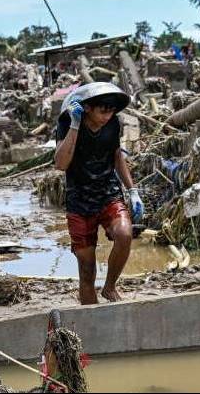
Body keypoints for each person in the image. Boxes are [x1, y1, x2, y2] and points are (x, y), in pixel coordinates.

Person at [54, 84, 144, 304]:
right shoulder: (67, 123)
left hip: (108, 193)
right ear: (87, 108)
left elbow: (116, 157)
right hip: (79, 200)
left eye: (111, 111)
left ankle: (110, 287)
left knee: (124, 234)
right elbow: (61, 163)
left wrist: (132, 190)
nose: (107, 116)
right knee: (86, 270)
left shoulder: (113, 124)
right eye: (102, 111)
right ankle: (91, 317)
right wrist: (75, 125)